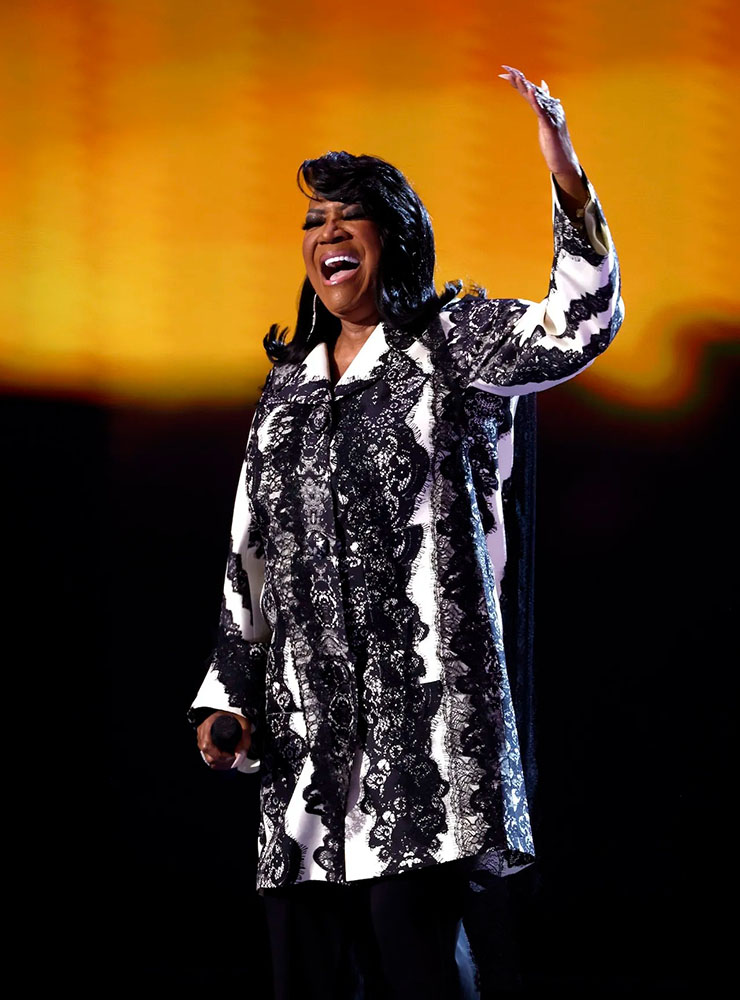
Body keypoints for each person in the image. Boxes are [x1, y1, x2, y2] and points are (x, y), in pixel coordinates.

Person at [189, 65, 624, 999]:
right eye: (315, 221)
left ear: (398, 238)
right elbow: (251, 557)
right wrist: (228, 696)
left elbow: (579, 323)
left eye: (351, 216)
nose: (329, 233)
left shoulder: (451, 348)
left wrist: (567, 176)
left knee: (421, 967)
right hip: (305, 744)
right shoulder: (287, 393)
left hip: (423, 741)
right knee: (306, 975)